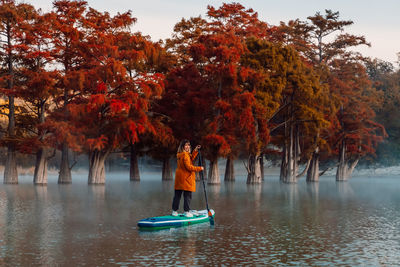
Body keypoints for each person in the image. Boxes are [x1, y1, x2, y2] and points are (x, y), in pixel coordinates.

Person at [172, 139, 204, 217]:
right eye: (186, 145)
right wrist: (199, 168)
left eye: (188, 145)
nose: (187, 146)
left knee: (177, 195)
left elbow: (190, 159)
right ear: (182, 146)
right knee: (187, 196)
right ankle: (186, 212)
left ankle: (174, 211)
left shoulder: (180, 154)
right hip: (186, 178)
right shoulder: (185, 155)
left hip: (179, 178)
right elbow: (189, 167)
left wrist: (195, 150)